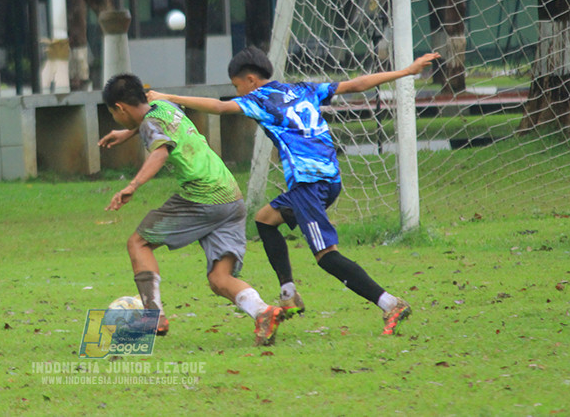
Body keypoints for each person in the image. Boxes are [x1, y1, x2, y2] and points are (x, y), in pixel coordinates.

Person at [147, 46, 441, 335]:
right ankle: (289, 295)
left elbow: (221, 108)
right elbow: (356, 84)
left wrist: (167, 97)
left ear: (250, 80)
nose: (238, 93)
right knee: (265, 220)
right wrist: (406, 71)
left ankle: (390, 303)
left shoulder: (259, 98)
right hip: (329, 178)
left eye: (238, 86)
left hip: (307, 183)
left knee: (327, 256)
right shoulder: (302, 89)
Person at [99, 73, 283, 346]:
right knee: (220, 279)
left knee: (138, 243)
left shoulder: (150, 122)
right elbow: (153, 123)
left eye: (114, 115)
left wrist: (133, 186)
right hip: (231, 197)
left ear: (120, 108)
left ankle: (154, 317)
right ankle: (264, 312)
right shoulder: (163, 106)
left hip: (202, 195)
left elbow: (160, 152)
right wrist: (127, 133)